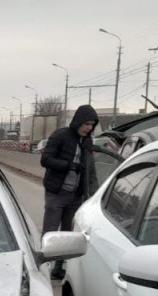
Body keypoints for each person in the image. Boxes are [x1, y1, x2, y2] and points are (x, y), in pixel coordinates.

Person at [40, 105, 99, 279]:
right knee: (50, 232)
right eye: (86, 123)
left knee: (67, 234)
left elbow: (91, 169)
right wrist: (68, 165)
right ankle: (43, 268)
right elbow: (45, 159)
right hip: (57, 193)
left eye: (92, 125)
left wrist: (93, 194)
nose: (88, 128)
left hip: (76, 195)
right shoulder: (60, 136)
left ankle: (59, 268)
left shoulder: (87, 141)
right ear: (78, 121)